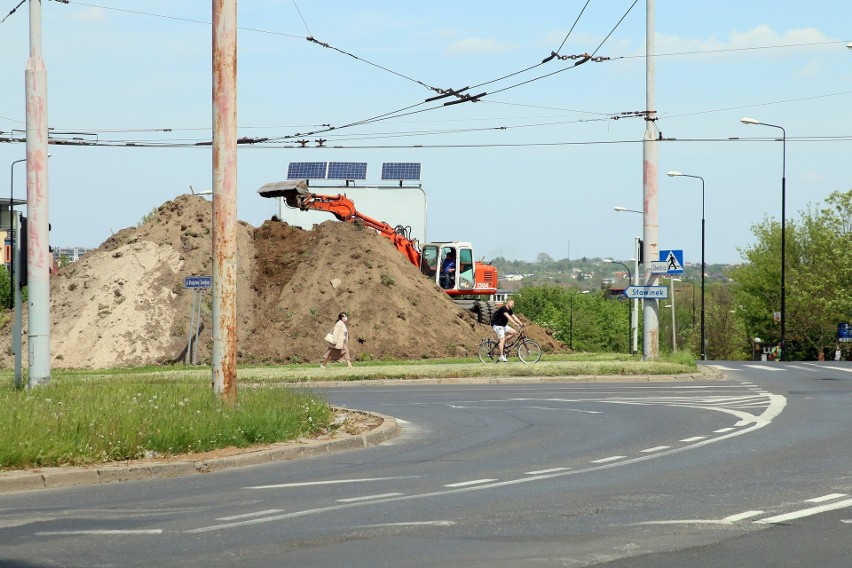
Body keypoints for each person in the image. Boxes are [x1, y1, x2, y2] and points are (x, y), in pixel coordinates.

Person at [490, 297, 524, 362]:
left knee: (514, 332)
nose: (513, 305)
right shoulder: (503, 309)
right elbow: (509, 317)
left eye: (513, 304)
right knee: (502, 339)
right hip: (497, 325)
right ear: (508, 303)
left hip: (503, 325)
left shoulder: (509, 310)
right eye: (512, 304)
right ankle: (501, 356)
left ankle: (501, 343)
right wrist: (515, 324)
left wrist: (521, 323)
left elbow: (514, 317)